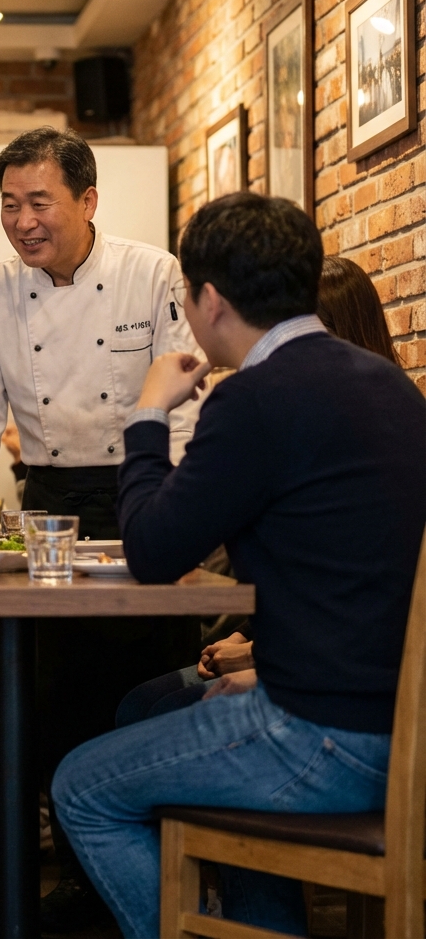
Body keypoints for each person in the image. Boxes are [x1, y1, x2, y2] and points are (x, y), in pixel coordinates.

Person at [51, 193, 426, 937]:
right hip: (398, 731)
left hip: (323, 738)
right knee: (219, 715)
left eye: (185, 297)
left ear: (210, 299)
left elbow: (155, 554)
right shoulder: (390, 385)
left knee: (81, 786)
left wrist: (148, 415)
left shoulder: (255, 399)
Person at [0, 125, 206, 924]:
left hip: (141, 487)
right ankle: (81, 867)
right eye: (11, 205)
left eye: (41, 203)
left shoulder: (151, 271)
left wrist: (180, 518)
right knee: (52, 687)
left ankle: (163, 871)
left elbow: (187, 400)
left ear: (88, 200)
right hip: (50, 502)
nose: (24, 221)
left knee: (142, 677)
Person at [116, 253, 406, 727]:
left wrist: (149, 408)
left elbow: (153, 550)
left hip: (335, 700)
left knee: (108, 751)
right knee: (141, 703)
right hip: (330, 673)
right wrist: (248, 641)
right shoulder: (386, 402)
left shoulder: (298, 414)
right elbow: (313, 573)